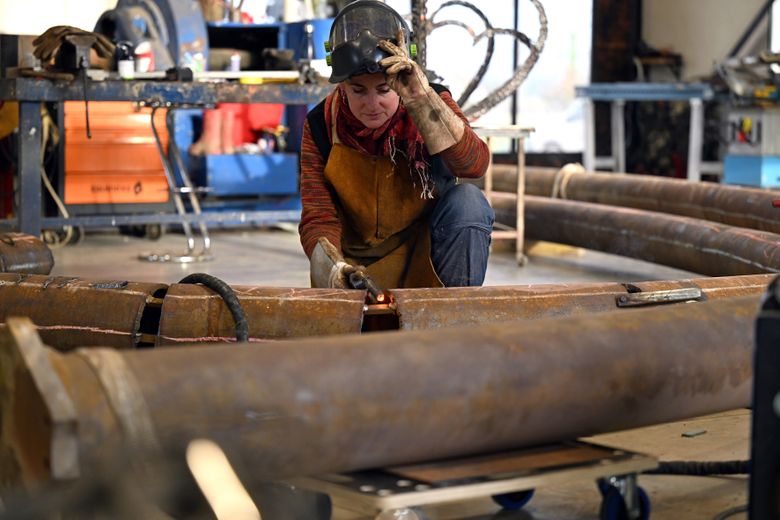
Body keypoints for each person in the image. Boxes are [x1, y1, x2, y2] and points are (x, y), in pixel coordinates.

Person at [299, 0, 493, 290]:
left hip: (426, 257)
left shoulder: (431, 98)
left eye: (383, 89)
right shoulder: (321, 124)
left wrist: (420, 98)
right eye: (358, 90)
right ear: (341, 86)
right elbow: (318, 214)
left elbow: (474, 166)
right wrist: (335, 267)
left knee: (469, 202)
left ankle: (455, 324)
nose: (372, 104)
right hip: (357, 271)